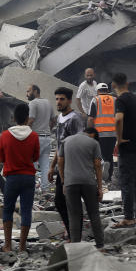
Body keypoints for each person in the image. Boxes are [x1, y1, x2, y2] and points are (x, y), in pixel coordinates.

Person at [0, 103, 39, 252]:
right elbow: (35, 157)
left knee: (7, 209)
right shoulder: (33, 136)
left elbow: (1, 158)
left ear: (13, 118)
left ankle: (7, 245)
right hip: (28, 177)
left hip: (12, 178)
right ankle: (22, 246)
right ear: (28, 118)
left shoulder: (5, 135)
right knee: (26, 210)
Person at [112, 73, 136, 228]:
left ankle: (128, 218)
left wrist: (119, 138)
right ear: (127, 83)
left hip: (129, 148)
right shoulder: (134, 98)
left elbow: (118, 119)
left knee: (127, 182)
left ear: (113, 85)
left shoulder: (120, 100)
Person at [59, 127, 105, 248]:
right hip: (88, 182)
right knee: (94, 214)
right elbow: (97, 165)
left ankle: (75, 248)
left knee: (74, 215)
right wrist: (100, 187)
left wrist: (63, 181)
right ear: (91, 134)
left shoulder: (66, 141)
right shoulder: (94, 143)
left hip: (70, 183)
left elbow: (60, 161)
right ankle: (100, 246)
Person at [47, 87, 83, 238]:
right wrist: (52, 166)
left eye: (62, 99)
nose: (58, 102)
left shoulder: (75, 118)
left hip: (72, 166)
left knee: (71, 201)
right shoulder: (60, 118)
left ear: (69, 100)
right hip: (62, 165)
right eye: (56, 99)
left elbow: (80, 143)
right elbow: (59, 145)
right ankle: (71, 230)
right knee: (60, 201)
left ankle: (76, 234)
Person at [26, 84, 54, 190]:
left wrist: (25, 132)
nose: (27, 94)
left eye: (28, 91)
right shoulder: (48, 102)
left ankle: (31, 188)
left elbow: (31, 120)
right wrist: (48, 130)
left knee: (31, 163)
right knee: (45, 165)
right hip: (47, 138)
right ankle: (45, 188)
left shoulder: (33, 103)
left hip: (36, 137)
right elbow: (53, 120)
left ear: (36, 91)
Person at [87, 83, 117, 182]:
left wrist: (89, 133)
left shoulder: (95, 100)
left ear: (97, 91)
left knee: (99, 155)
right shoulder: (114, 100)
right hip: (112, 133)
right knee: (110, 155)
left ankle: (101, 172)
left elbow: (91, 118)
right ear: (107, 90)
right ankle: (108, 178)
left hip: (100, 133)